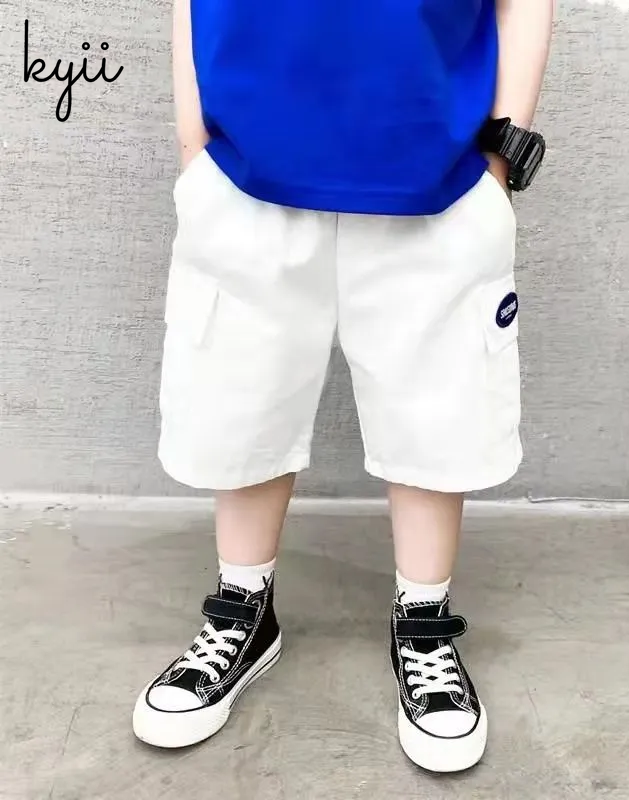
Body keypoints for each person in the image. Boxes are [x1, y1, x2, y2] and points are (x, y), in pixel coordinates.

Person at [132, 0, 552, 773]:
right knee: (241, 390)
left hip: (436, 162)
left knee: (437, 399)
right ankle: (242, 607)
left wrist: (502, 158)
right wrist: (194, 143)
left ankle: (423, 618)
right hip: (246, 156)